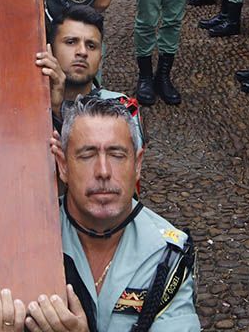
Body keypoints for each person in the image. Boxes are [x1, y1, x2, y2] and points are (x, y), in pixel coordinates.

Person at [55, 95, 200, 329]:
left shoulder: (168, 256)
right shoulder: (29, 239)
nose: (103, 171)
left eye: (117, 154)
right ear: (63, 166)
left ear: (138, 165)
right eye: (87, 155)